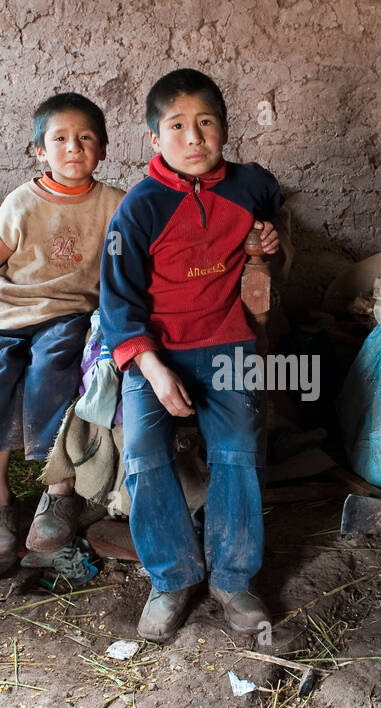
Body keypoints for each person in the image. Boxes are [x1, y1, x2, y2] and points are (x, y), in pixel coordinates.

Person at [100, 68, 287, 641]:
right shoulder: (140, 208)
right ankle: (173, 576)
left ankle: (233, 578)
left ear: (225, 131)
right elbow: (117, 303)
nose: (194, 138)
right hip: (155, 351)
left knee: (237, 448)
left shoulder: (248, 184)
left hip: (227, 341)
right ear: (155, 140)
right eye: (177, 126)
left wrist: (267, 236)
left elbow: (271, 206)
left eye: (206, 123)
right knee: (143, 450)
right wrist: (152, 368)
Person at [0, 93, 125, 561]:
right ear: (40, 151)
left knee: (53, 367)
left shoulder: (115, 206)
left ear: (102, 149)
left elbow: (137, 264)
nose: (73, 148)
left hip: (68, 313)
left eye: (86, 139)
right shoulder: (21, 202)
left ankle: (57, 493)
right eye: (59, 139)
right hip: (7, 311)